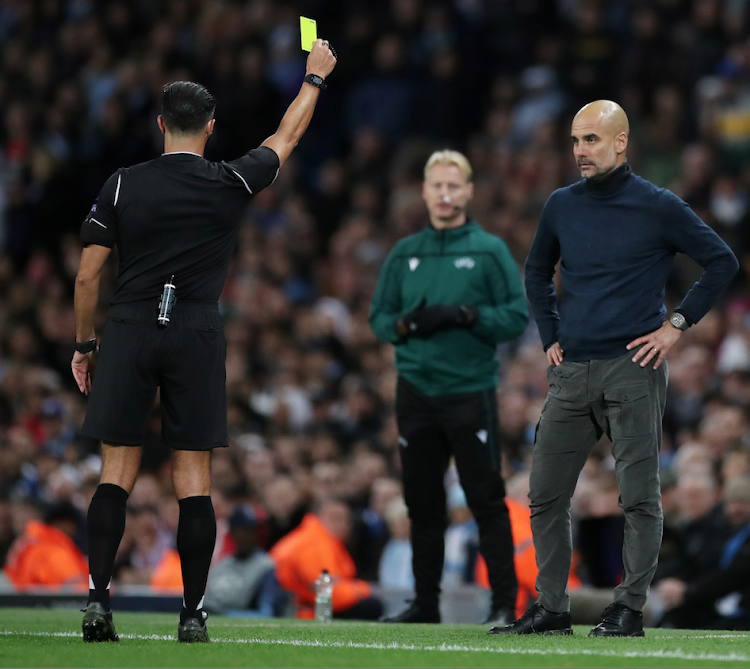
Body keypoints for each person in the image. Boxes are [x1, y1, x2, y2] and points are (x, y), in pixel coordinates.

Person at [71, 40, 337, 643]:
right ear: (211, 128)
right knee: (194, 478)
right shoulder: (228, 181)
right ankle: (192, 614)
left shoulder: (121, 184)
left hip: (133, 324)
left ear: (160, 124)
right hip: (195, 327)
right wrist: (314, 80)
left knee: (115, 471)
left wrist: (86, 346)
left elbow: (88, 275)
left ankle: (96, 600)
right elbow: (284, 140)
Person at [492, 100, 739, 637]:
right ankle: (552, 608)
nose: (580, 151)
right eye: (576, 141)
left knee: (639, 496)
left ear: (621, 142)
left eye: (592, 141)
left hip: (634, 365)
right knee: (545, 494)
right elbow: (536, 271)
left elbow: (723, 261)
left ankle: (628, 608)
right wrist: (551, 334)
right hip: (572, 369)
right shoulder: (561, 204)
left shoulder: (659, 206)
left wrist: (676, 325)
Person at [370, 150, 529, 625]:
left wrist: (468, 316)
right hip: (415, 390)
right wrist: (405, 325)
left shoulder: (489, 250)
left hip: (469, 391)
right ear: (423, 191)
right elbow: (378, 320)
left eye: (453, 186)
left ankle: (503, 605)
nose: (444, 194)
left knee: (485, 498)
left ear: (469, 191)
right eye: (436, 186)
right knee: (422, 503)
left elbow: (516, 316)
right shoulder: (405, 253)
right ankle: (425, 604)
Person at [657, 477, 750, 630]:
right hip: (718, 601)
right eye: (731, 503)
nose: (735, 509)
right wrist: (671, 584)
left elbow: (734, 575)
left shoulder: (723, 531)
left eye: (743, 502)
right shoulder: (727, 532)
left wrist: (687, 593)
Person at [269, 497, 383, 620]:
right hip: (298, 611)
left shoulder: (312, 538)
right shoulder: (315, 544)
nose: (343, 525)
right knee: (371, 606)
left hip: (298, 605)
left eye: (346, 520)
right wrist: (363, 590)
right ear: (317, 516)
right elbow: (326, 593)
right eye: (335, 518)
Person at [203, 505, 286, 617]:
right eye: (242, 530)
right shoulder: (221, 565)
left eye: (252, 530)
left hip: (238, 620)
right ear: (232, 532)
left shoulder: (265, 567)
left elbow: (266, 613)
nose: (248, 536)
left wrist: (224, 614)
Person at [4, 501, 88, 591]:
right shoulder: (54, 550)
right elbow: (77, 590)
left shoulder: (28, 545)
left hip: (25, 601)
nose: (72, 530)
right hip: (49, 602)